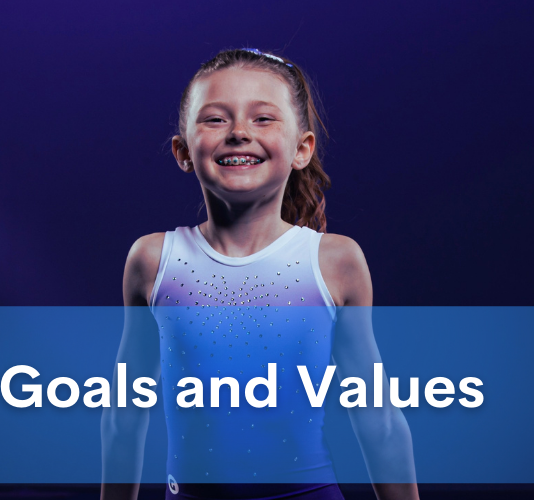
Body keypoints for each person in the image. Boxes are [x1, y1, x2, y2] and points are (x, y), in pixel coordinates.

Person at [101, 48, 418, 500]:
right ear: (183, 150)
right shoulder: (153, 260)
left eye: (263, 118)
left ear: (301, 149)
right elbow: (123, 415)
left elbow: (378, 418)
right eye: (215, 119)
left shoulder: (335, 261)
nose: (239, 133)